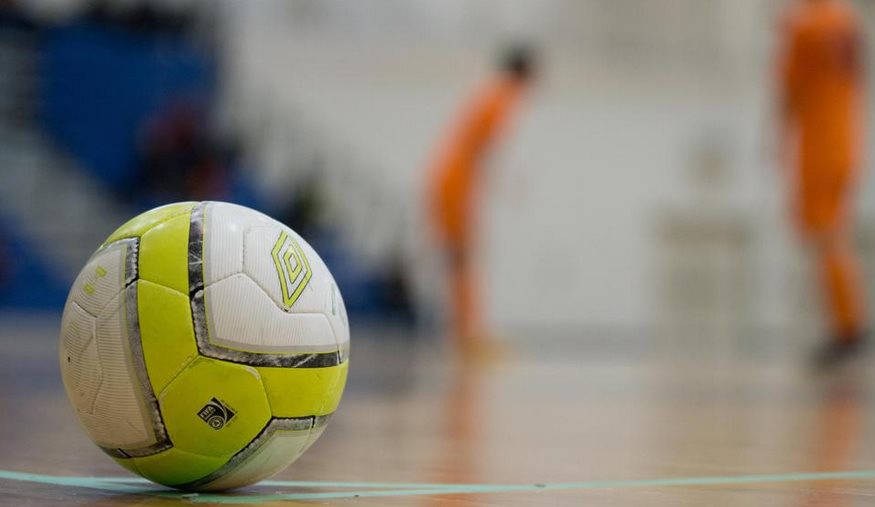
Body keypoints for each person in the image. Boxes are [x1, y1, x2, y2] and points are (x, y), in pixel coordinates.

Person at [427, 44, 536, 354]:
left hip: (451, 180)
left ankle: (466, 333)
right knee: (463, 259)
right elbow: (482, 149)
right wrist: (503, 182)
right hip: (456, 185)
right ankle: (468, 336)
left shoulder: (490, 94)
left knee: (460, 260)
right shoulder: (501, 99)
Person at [777, 0, 867, 367]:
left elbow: (788, 89)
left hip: (818, 146)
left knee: (824, 235)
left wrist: (779, 140)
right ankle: (847, 325)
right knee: (833, 235)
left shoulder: (804, 26)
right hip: (847, 143)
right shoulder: (847, 20)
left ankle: (848, 328)